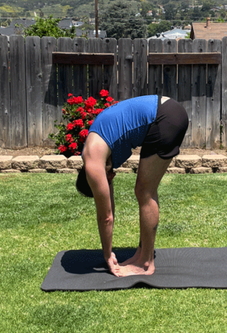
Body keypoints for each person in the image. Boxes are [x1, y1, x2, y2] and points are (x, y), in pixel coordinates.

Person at [76, 94, 188, 277]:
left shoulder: (93, 160)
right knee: (144, 191)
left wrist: (107, 254)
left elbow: (106, 217)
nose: (113, 177)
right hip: (167, 111)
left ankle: (145, 264)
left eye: (108, 179)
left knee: (145, 192)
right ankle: (141, 254)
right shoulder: (96, 150)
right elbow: (109, 208)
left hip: (164, 117)